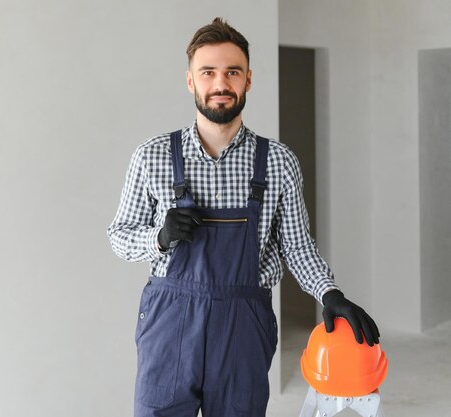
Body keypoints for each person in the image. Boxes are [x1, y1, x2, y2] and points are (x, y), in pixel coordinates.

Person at [107, 17, 380, 417]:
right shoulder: (152, 157)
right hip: (170, 322)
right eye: (208, 72)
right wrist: (159, 238)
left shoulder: (278, 163)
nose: (221, 83)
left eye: (232, 72)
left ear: (248, 80)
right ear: (190, 81)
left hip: (243, 325)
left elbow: (298, 247)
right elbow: (119, 236)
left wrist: (330, 293)